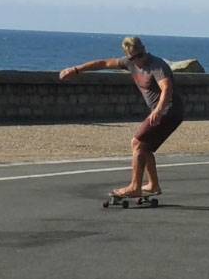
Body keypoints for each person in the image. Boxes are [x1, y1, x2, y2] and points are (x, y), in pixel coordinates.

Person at [59, 37, 183, 197]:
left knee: (137, 143)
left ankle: (135, 187)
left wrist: (158, 111)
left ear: (144, 49)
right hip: (162, 111)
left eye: (141, 54)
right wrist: (76, 70)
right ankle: (153, 185)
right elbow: (103, 63)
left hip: (170, 110)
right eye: (133, 57)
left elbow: (166, 88)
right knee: (144, 147)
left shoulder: (157, 65)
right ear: (128, 57)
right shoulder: (129, 63)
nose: (139, 59)